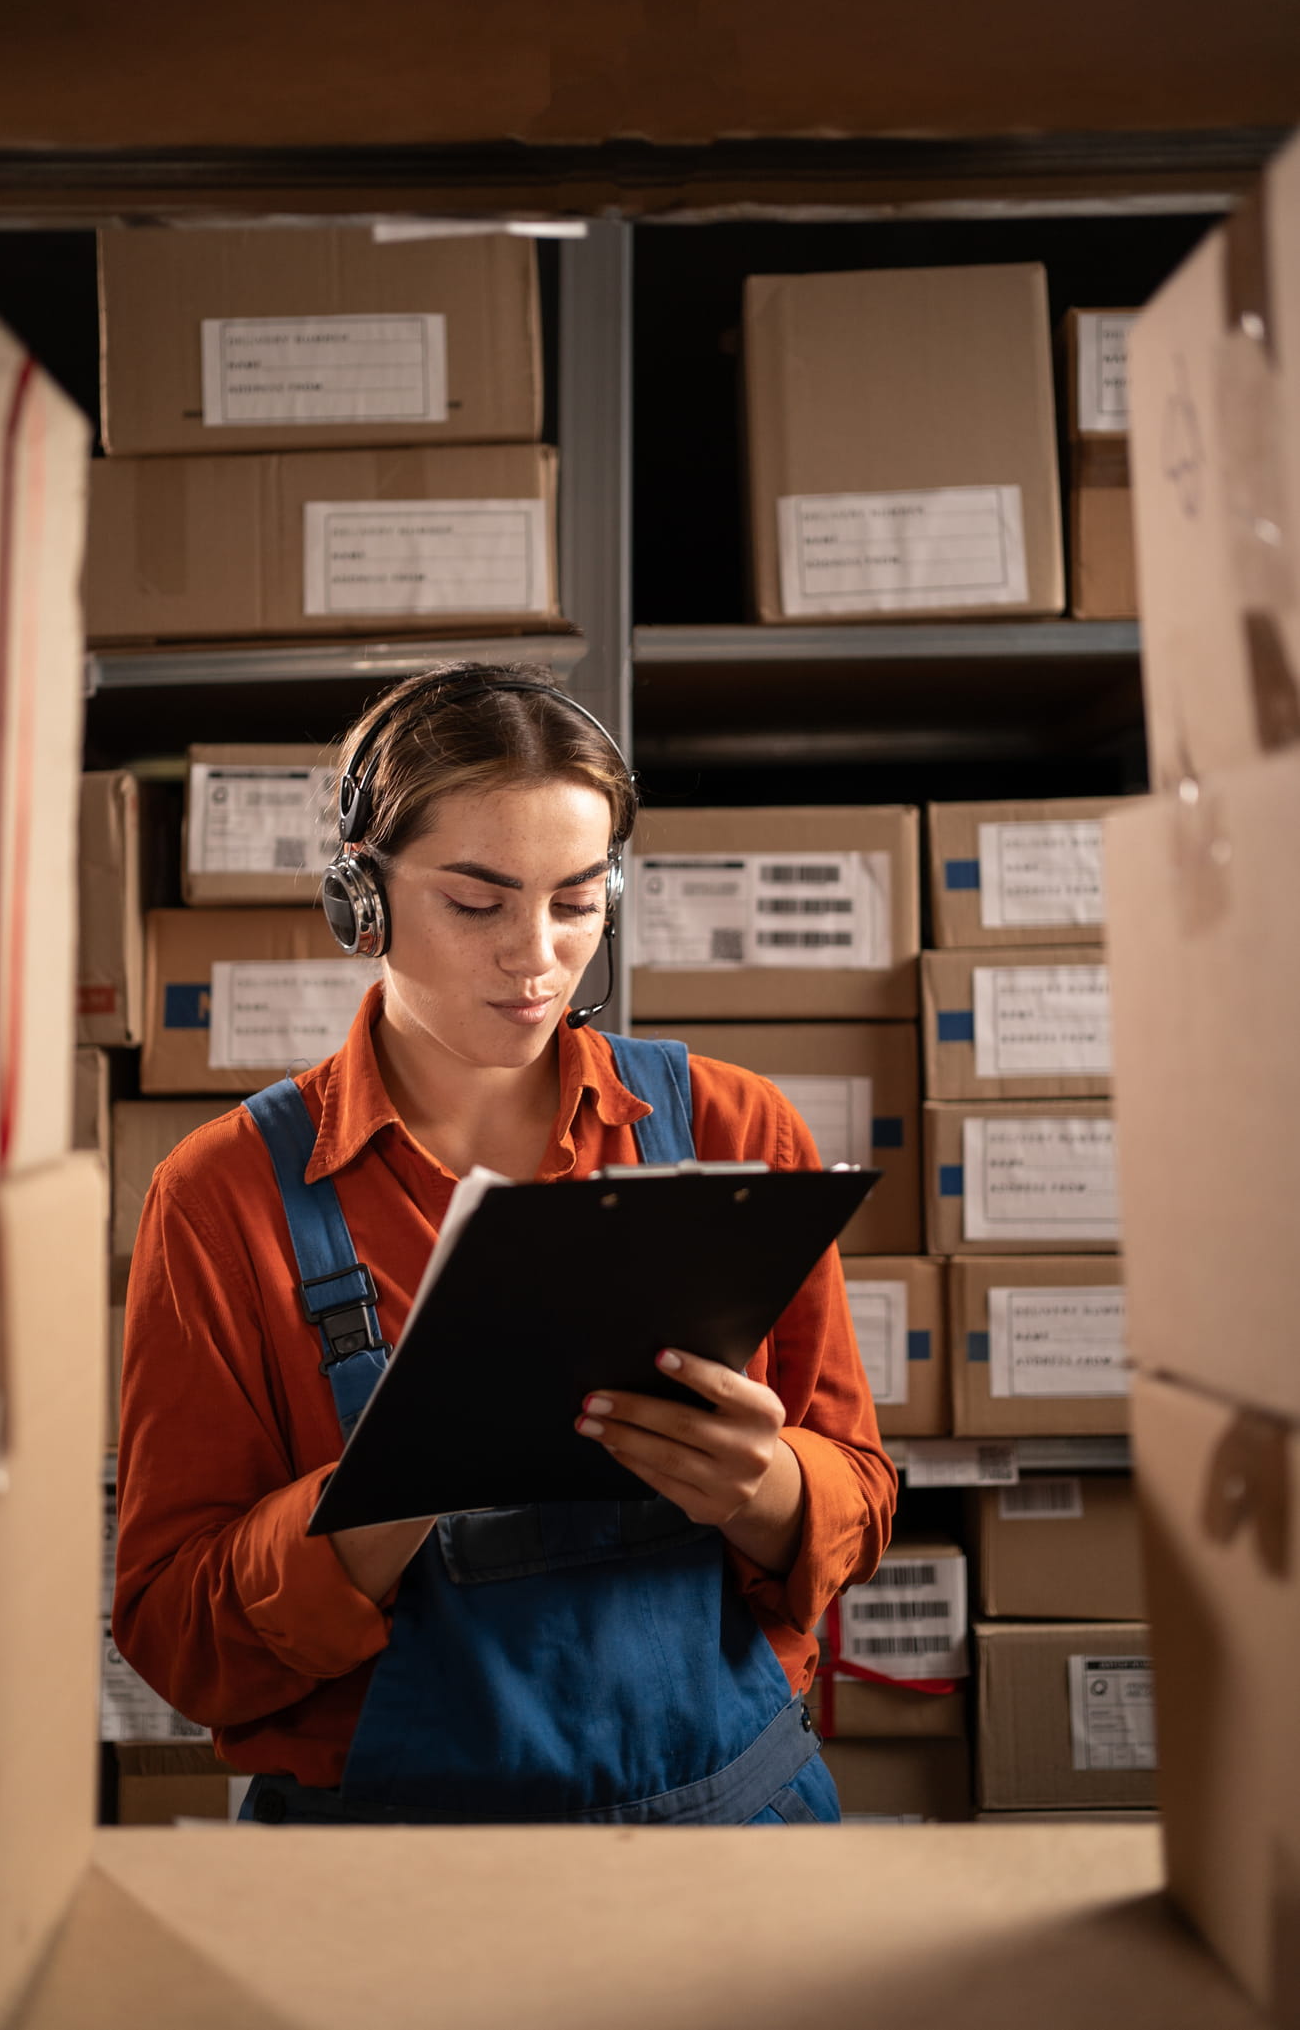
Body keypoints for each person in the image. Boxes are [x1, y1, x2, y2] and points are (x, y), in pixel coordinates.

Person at [113, 662, 896, 1826]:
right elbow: (179, 1636)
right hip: (394, 1867)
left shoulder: (734, 1131)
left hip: (731, 1823)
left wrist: (768, 1486)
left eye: (576, 903)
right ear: (359, 904)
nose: (534, 958)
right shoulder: (223, 1197)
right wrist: (380, 1501)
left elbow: (862, 1494)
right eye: (475, 905)